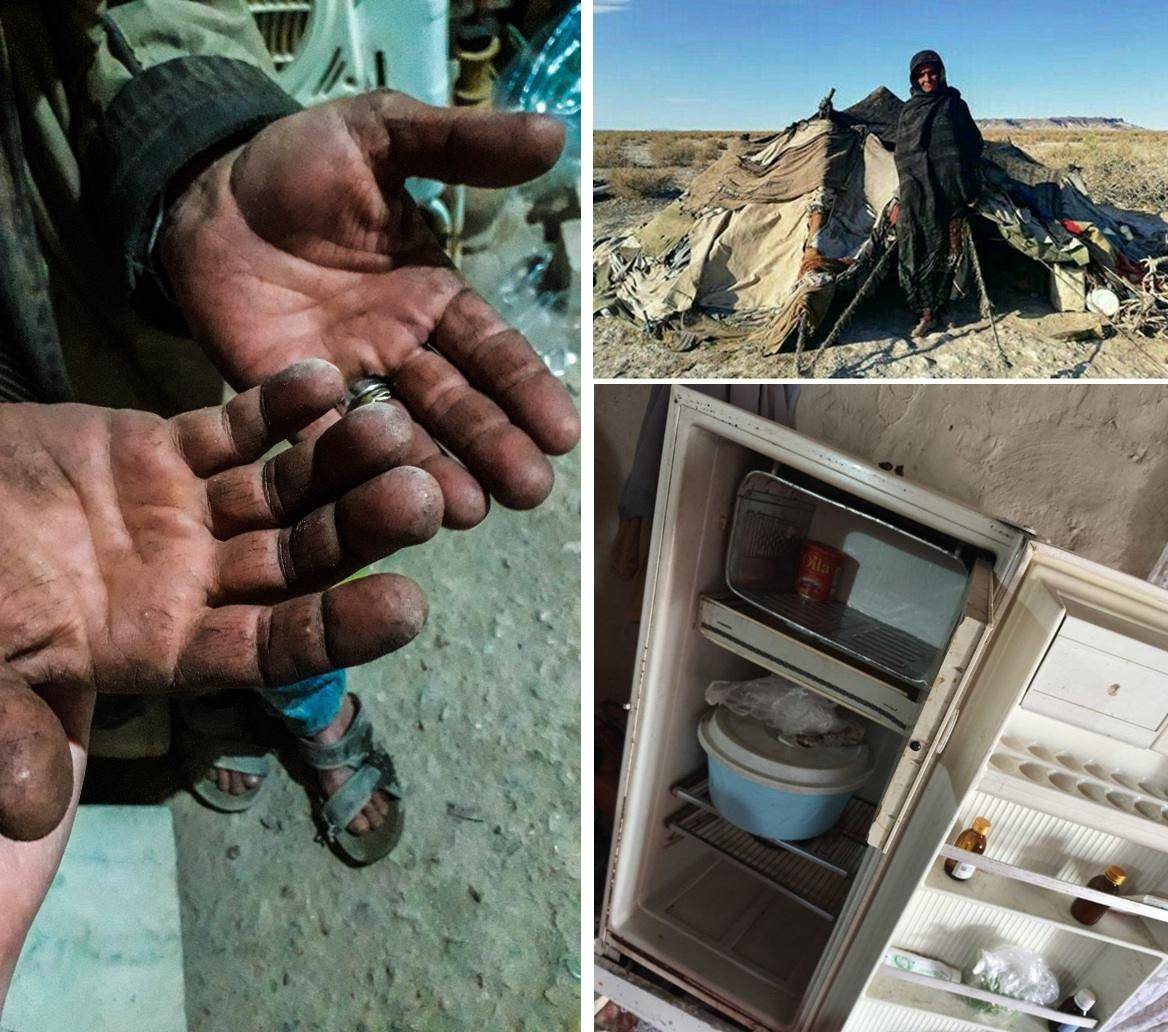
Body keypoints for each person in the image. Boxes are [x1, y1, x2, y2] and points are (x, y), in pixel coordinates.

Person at [0, 0, 579, 995]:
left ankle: (303, 711)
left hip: (107, 267)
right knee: (148, 605)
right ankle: (218, 718)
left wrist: (191, 147)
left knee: (249, 531)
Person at [894, 49, 984, 338]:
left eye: (931, 72)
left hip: (950, 191)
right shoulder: (909, 110)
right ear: (913, 78)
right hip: (916, 192)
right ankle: (924, 310)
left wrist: (964, 181)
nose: (927, 78)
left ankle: (942, 307)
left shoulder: (954, 105)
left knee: (949, 251)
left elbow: (972, 145)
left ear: (941, 73)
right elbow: (903, 153)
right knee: (917, 246)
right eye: (921, 74)